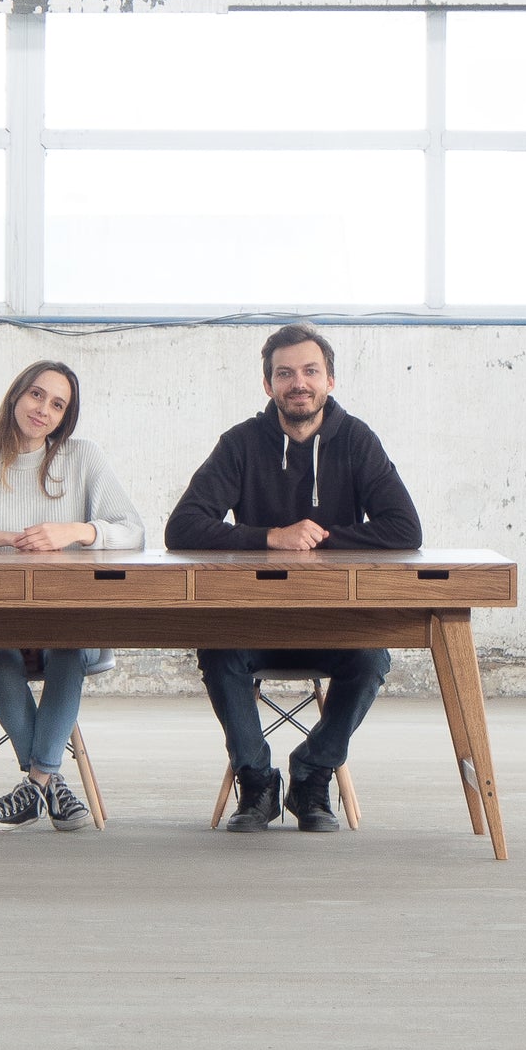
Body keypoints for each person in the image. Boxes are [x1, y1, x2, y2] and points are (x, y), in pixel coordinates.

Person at [164, 323, 421, 833]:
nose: (297, 382)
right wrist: (271, 537)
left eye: (309, 371)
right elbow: (182, 527)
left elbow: (404, 528)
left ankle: (312, 773)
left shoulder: (356, 440)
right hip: (254, 621)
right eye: (285, 374)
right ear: (268, 386)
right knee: (216, 648)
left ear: (330, 380)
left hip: (332, 622)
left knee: (372, 657)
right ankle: (257, 781)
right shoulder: (240, 443)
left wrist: (316, 539)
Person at [0, 361, 145, 832]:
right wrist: (3, 537)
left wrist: (76, 531)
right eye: (37, 395)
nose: (43, 410)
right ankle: (50, 783)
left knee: (67, 644)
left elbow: (133, 530)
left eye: (58, 404)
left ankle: (35, 784)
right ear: (16, 396)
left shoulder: (83, 459)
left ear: (66, 417)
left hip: (65, 618)